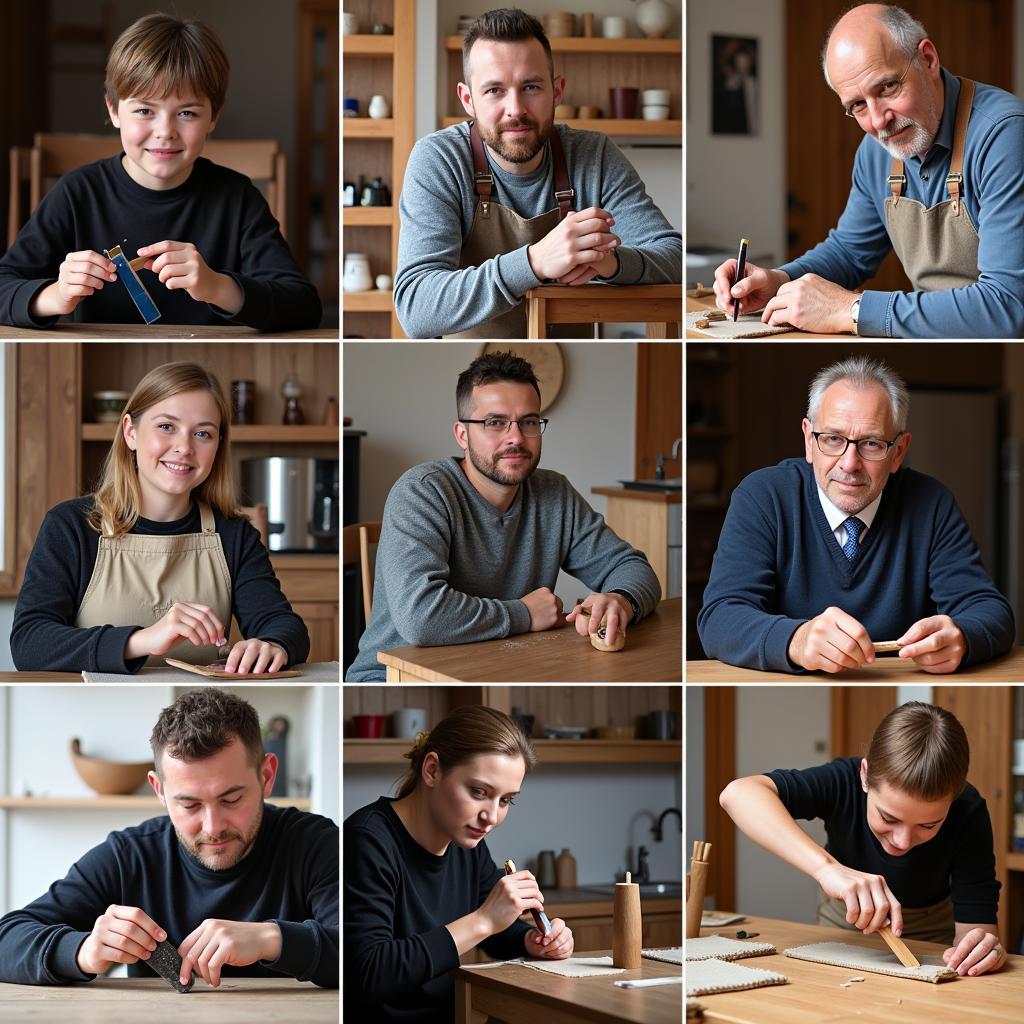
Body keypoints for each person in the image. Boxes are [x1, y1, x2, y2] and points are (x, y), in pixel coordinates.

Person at [712, 3, 1024, 338]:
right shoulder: (876, 151)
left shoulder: (1005, 135)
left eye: (887, 87)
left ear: (928, 60)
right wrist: (780, 281)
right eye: (858, 105)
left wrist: (852, 310)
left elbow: (1008, 305)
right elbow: (850, 252)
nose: (878, 122)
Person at [346, 349, 661, 680]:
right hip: (394, 679)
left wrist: (620, 601)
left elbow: (632, 568)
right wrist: (525, 613)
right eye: (495, 422)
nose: (515, 437)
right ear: (462, 434)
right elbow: (420, 617)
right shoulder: (422, 491)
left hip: (500, 672)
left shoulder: (554, 492)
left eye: (528, 422)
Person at [0, 13, 321, 330]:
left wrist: (218, 287)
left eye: (187, 113)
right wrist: (55, 295)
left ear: (213, 117)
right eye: (144, 110)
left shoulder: (238, 198)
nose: (165, 131)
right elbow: (4, 286)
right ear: (113, 110)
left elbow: (303, 306)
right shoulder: (77, 193)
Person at [0, 688, 338, 988]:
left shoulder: (315, 843)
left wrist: (273, 939)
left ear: (266, 776)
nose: (212, 826)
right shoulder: (129, 856)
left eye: (232, 799)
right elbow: (7, 938)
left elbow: (369, 952)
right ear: (159, 791)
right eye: (189, 804)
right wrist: (81, 951)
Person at [697, 356, 1014, 673]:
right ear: (809, 440)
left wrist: (963, 637)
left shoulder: (932, 504)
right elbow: (719, 618)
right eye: (833, 439)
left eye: (872, 444)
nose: (849, 463)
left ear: (898, 452)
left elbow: (991, 611)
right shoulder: (763, 497)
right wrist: (795, 640)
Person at [394, 7, 681, 338]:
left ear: (556, 91)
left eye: (530, 87)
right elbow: (415, 307)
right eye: (494, 90)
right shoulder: (439, 160)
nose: (516, 109)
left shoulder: (595, 155)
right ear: (468, 99)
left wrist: (613, 264)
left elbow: (672, 255)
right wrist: (533, 263)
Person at [11, 361, 309, 674]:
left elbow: (285, 627)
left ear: (218, 446)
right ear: (130, 432)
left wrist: (273, 644)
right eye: (166, 427)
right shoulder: (70, 526)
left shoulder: (236, 536)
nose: (184, 447)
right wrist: (143, 640)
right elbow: (30, 643)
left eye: (203, 433)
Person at [719, 701, 1005, 976]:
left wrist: (980, 951)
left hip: (933, 936)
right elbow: (738, 794)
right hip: (841, 925)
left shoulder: (968, 809)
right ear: (866, 776)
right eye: (889, 819)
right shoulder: (843, 781)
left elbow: (975, 932)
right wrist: (826, 869)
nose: (903, 842)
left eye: (928, 825)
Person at [344, 705, 574, 1022]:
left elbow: (496, 931)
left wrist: (532, 941)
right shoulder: (366, 839)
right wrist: (483, 920)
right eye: (479, 791)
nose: (491, 817)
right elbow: (368, 973)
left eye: (506, 800)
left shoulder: (466, 841)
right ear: (432, 770)